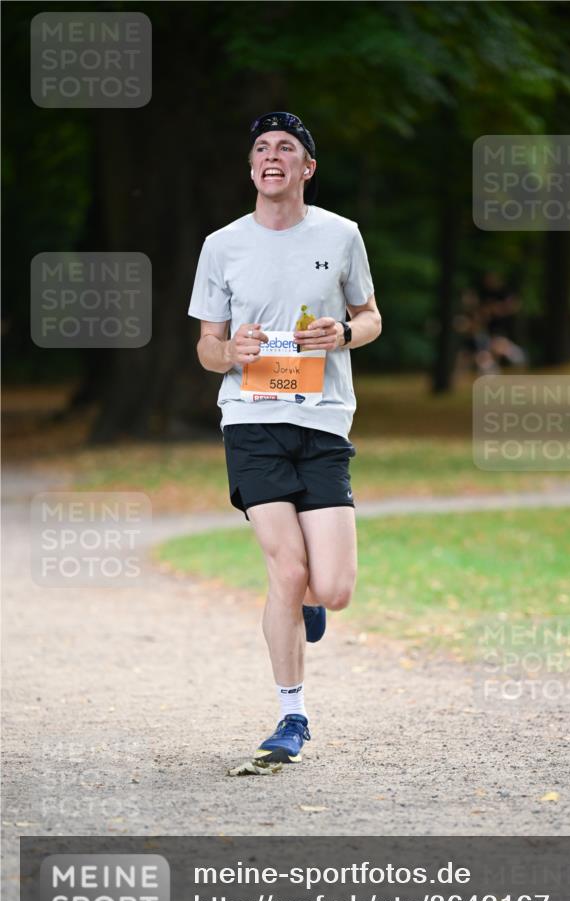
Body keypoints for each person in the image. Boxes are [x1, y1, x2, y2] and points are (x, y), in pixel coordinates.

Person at [188, 111, 381, 764]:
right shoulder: (222, 245)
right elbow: (206, 348)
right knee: (287, 568)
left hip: (323, 420)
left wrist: (345, 335)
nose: (272, 155)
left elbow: (370, 316)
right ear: (251, 169)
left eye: (287, 148)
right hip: (250, 422)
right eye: (261, 148)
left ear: (307, 169)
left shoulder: (342, 235)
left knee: (332, 589)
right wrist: (230, 350)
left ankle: (307, 604)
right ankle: (291, 715)